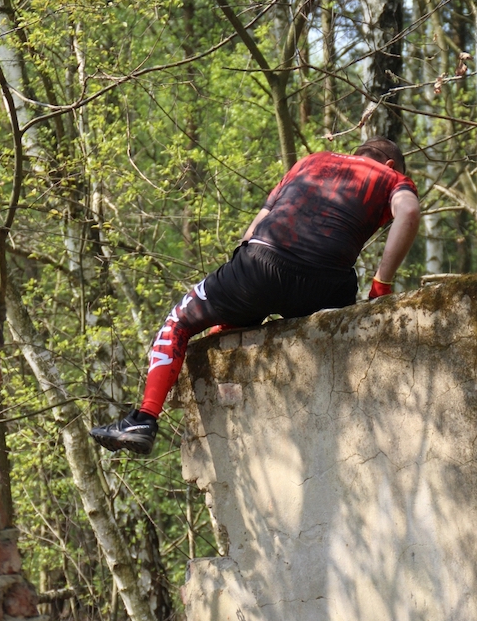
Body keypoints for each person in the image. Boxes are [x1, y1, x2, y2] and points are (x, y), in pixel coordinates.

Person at [90, 137, 420, 455]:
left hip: (259, 267)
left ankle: (145, 417)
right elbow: (408, 212)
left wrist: (236, 286)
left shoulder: (311, 162)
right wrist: (381, 285)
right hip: (325, 285)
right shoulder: (392, 178)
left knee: (179, 320)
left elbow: (253, 229)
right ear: (390, 163)